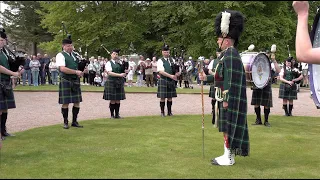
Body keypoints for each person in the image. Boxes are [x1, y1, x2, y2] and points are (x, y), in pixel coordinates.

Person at [199, 10, 249, 166]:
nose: (217, 41)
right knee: (225, 127)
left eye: (219, 38)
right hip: (223, 97)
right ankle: (227, 155)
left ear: (226, 40)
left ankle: (228, 157)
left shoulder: (231, 55)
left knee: (228, 127)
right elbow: (220, 76)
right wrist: (206, 78)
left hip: (228, 99)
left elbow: (231, 80)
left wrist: (226, 99)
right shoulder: (226, 55)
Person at [55, 36, 84, 129]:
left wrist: (82, 71)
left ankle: (74, 121)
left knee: (77, 102)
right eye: (68, 46)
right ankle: (65, 122)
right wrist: (76, 72)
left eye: (71, 45)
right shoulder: (60, 55)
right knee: (65, 102)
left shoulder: (75, 55)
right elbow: (62, 68)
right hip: (66, 80)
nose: (70, 47)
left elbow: (78, 67)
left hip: (75, 80)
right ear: (63, 46)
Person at [0, 28, 24, 140]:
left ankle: (3, 131)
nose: (2, 42)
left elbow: (11, 64)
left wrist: (19, 68)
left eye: (2, 40)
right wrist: (13, 73)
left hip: (6, 81)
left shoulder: (5, 52)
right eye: (0, 40)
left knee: (4, 108)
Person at [251, 51, 281, 127]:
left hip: (266, 85)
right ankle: (258, 120)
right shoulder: (256, 63)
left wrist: (274, 60)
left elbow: (278, 71)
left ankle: (266, 121)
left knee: (266, 104)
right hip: (257, 83)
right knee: (256, 103)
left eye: (267, 55)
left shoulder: (270, 64)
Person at [103, 49, 126, 119]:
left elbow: (122, 71)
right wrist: (120, 75)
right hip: (111, 82)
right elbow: (109, 73)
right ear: (111, 54)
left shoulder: (119, 63)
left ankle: (117, 114)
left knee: (118, 99)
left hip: (119, 82)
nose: (115, 55)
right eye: (114, 54)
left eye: (116, 54)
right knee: (113, 99)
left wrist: (125, 72)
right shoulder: (108, 63)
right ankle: (112, 115)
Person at [157, 44, 179, 117]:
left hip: (171, 80)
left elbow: (176, 69)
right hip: (163, 80)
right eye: (165, 52)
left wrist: (177, 73)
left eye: (168, 52)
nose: (167, 53)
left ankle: (169, 112)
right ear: (162, 52)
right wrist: (170, 76)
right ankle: (162, 112)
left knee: (170, 97)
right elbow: (160, 71)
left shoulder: (172, 60)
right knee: (162, 97)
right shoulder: (160, 60)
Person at [207, 49, 221, 125]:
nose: (219, 54)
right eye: (218, 53)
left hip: (221, 82)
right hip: (214, 81)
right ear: (216, 53)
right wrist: (214, 74)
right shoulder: (214, 61)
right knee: (213, 97)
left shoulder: (224, 60)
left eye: (220, 52)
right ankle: (213, 109)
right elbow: (209, 70)